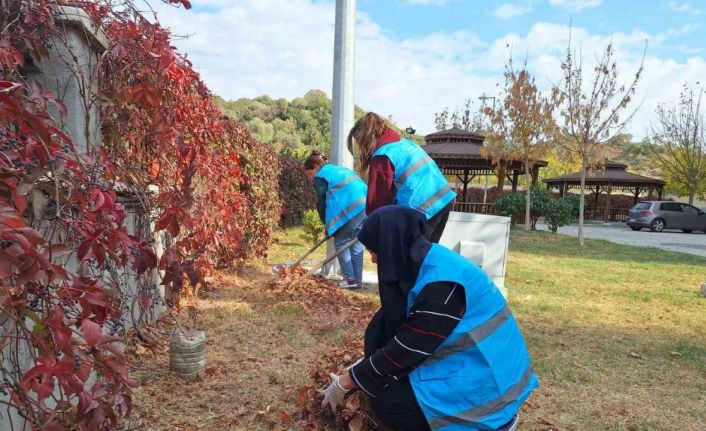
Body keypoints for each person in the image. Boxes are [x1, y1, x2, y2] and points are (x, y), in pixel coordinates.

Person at [320, 206, 537, 431]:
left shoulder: (441, 287)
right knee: (384, 375)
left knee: (390, 402)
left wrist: (347, 381)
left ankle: (484, 426)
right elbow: (406, 332)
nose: (374, 260)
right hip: (471, 365)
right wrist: (365, 368)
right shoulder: (429, 259)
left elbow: (405, 350)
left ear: (391, 246)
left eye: (375, 251)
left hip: (488, 390)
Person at [347, 112, 456, 243]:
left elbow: (378, 204)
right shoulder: (405, 144)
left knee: (406, 259)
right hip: (443, 200)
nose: (360, 147)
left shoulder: (383, 155)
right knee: (426, 257)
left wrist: (374, 237)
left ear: (367, 136)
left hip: (423, 209)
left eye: (359, 140)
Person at [305, 151, 367, 288]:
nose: (311, 178)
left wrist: (327, 227)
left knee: (341, 241)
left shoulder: (322, 175)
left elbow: (322, 203)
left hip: (351, 208)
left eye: (309, 174)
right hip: (365, 207)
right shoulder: (337, 169)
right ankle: (358, 281)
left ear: (315, 167)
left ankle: (350, 279)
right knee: (356, 245)